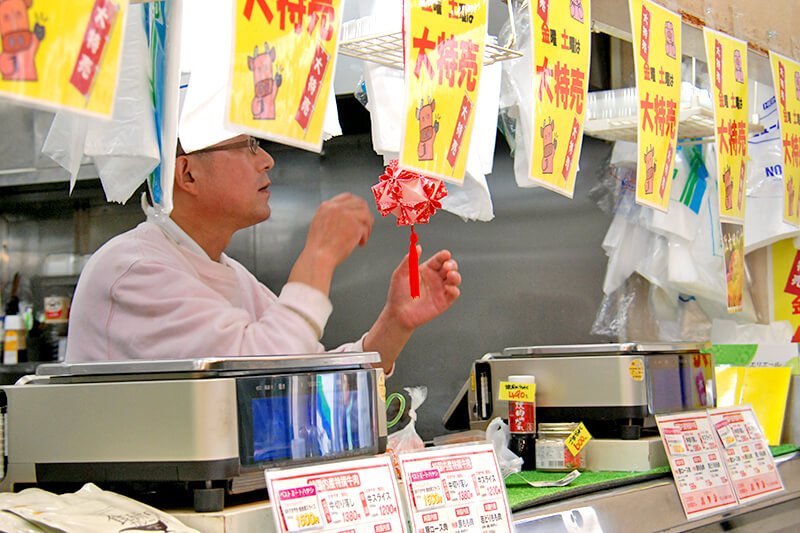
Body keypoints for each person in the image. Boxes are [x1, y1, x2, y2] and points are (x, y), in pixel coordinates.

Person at [65, 134, 462, 373]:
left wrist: (394, 325)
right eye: (248, 146)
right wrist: (318, 255)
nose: (267, 160)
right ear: (187, 174)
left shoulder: (229, 273)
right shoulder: (134, 269)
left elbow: (305, 375)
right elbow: (256, 372)